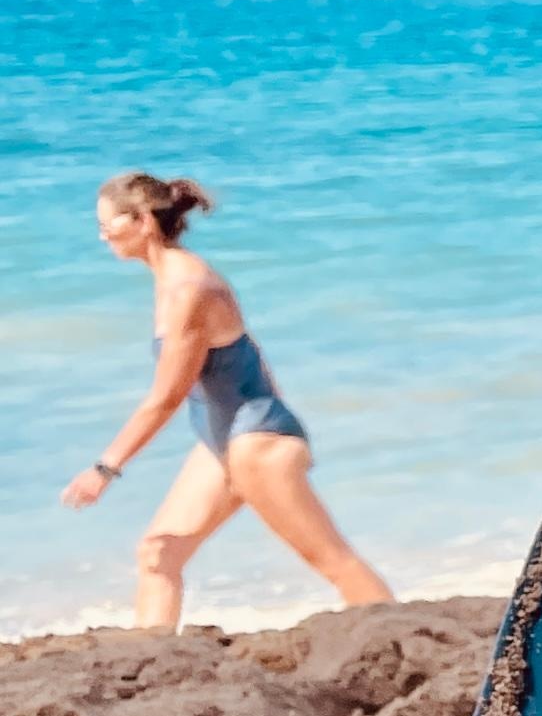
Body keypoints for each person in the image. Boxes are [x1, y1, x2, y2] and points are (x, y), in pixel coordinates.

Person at [59, 172, 391, 629]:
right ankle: (151, 663)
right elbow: (250, 356)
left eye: (108, 224)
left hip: (254, 442)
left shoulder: (187, 289)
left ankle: (409, 640)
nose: (101, 235)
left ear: (143, 222)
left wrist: (105, 469)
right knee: (159, 553)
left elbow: (166, 397)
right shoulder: (171, 279)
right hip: (226, 438)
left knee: (332, 560)